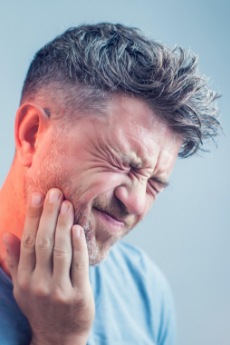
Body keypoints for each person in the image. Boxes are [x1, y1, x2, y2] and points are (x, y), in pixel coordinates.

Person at [0, 23, 220, 345]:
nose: (137, 203)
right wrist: (57, 338)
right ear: (32, 134)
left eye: (155, 184)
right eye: (124, 164)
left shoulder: (146, 290)